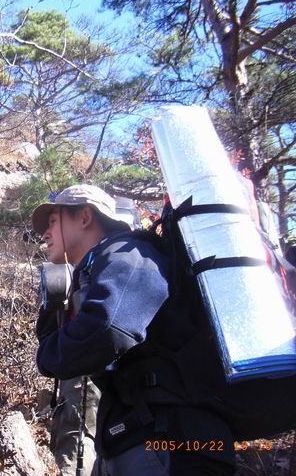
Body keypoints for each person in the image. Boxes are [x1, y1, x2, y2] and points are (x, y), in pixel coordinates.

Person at [31, 184, 236, 476]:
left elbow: (105, 329)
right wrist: (55, 303)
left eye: (53, 221)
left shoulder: (131, 254)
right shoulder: (95, 271)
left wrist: (47, 356)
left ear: (85, 217)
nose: (45, 234)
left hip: (171, 443)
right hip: (134, 439)